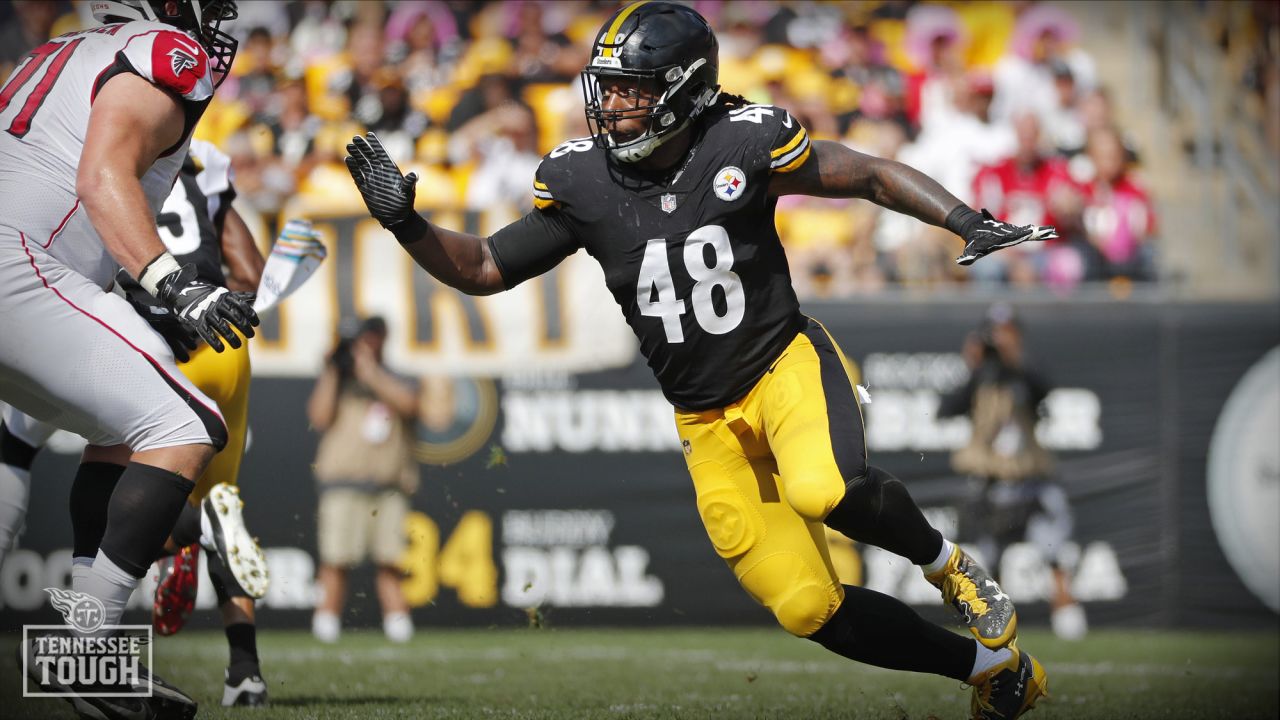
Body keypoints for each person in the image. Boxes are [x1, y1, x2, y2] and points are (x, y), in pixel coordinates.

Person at [344, 4, 1053, 718]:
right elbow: (485, 265)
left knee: (824, 489)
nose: (612, 105)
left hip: (782, 365)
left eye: (632, 89)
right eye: (608, 87)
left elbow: (866, 175)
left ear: (683, 89)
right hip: (705, 419)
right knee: (808, 606)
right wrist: (406, 224)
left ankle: (948, 565)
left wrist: (966, 220)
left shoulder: (743, 142)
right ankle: (992, 671)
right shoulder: (582, 181)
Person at [0, 1, 256, 717]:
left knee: (117, 432)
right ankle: (86, 656)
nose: (215, 16)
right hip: (19, 266)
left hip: (33, 267)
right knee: (188, 426)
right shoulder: (162, 50)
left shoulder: (58, 54)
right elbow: (100, 175)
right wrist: (172, 282)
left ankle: (91, 641)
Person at [939, 303, 1088, 641]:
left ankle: (1068, 617)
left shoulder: (1026, 371)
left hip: (1031, 481)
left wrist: (1013, 358)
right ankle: (997, 625)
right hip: (993, 485)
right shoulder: (981, 377)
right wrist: (974, 367)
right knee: (989, 559)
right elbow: (946, 408)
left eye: (1007, 332)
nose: (1000, 340)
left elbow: (1044, 389)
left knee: (1055, 549)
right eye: (995, 333)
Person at [307, 316, 420, 644]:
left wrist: (370, 373)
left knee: (391, 561)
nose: (365, 345)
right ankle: (326, 623)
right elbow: (319, 416)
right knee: (335, 559)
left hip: (389, 486)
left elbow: (410, 405)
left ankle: (398, 624)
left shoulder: (397, 376)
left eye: (370, 337)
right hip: (343, 483)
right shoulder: (338, 378)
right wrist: (332, 368)